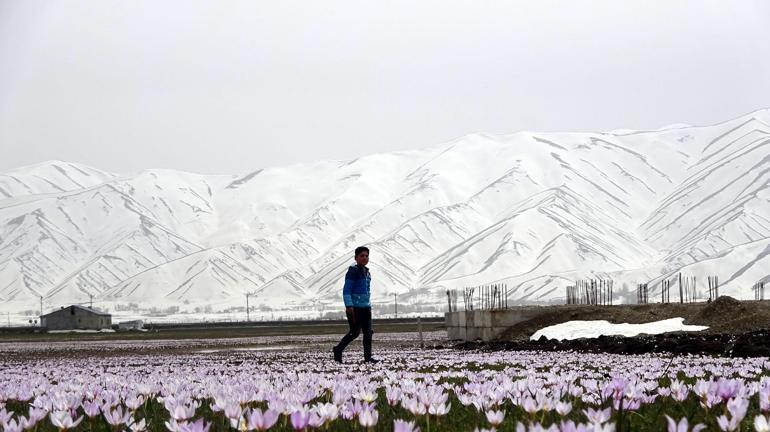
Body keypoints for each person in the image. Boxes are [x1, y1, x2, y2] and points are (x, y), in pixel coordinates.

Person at [332, 246, 379, 364]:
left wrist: (368, 304)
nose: (364, 258)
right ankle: (338, 350)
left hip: (366, 308)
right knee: (355, 333)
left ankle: (368, 359)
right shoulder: (352, 272)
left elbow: (367, 291)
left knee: (368, 334)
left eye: (366, 256)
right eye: (362, 256)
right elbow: (346, 290)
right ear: (356, 258)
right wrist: (349, 306)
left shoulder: (367, 273)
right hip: (355, 308)